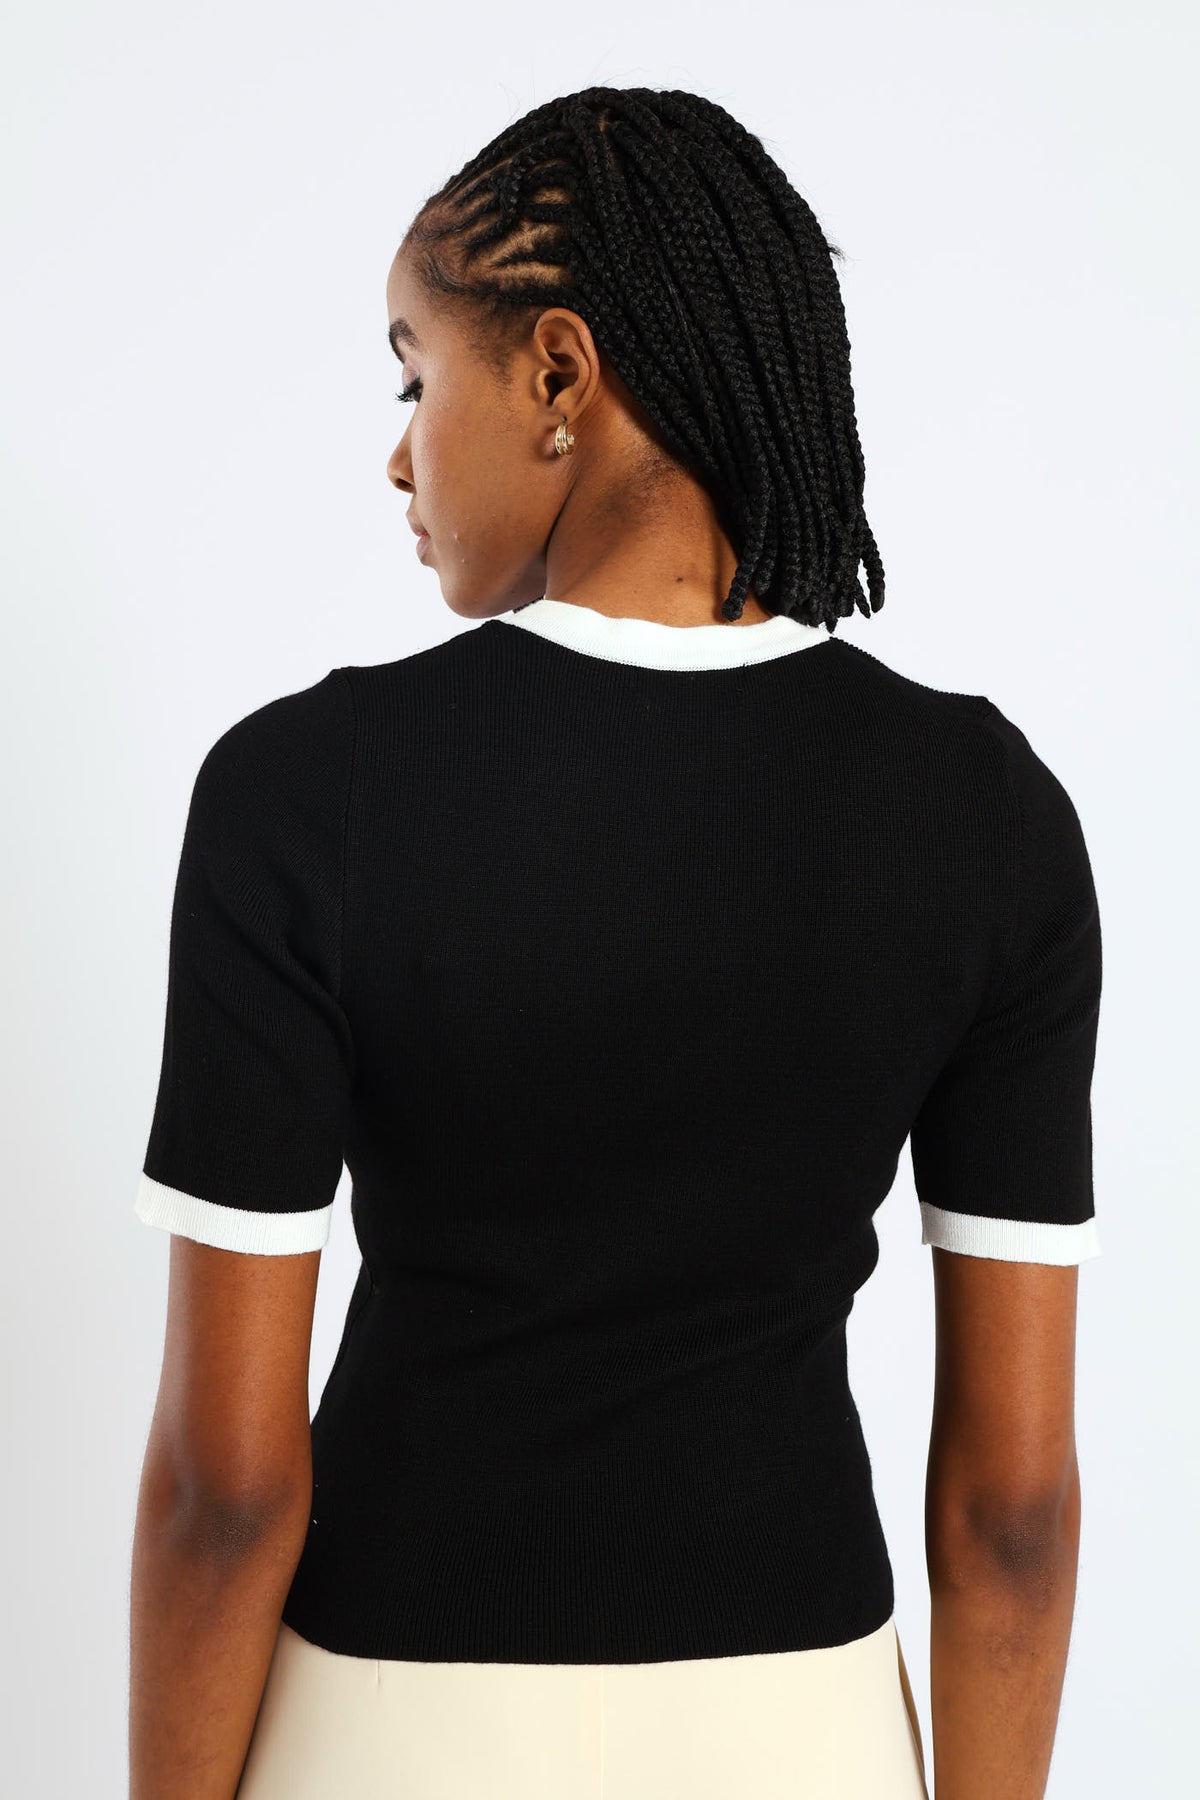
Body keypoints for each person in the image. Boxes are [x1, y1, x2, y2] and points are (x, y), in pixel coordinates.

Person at [128, 86, 1102, 1800]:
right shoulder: (986, 814)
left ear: (558, 376)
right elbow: (1012, 1510)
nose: (399, 453)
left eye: (415, 378)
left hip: (390, 1725)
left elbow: (228, 1490)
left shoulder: (307, 792)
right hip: (802, 1729)